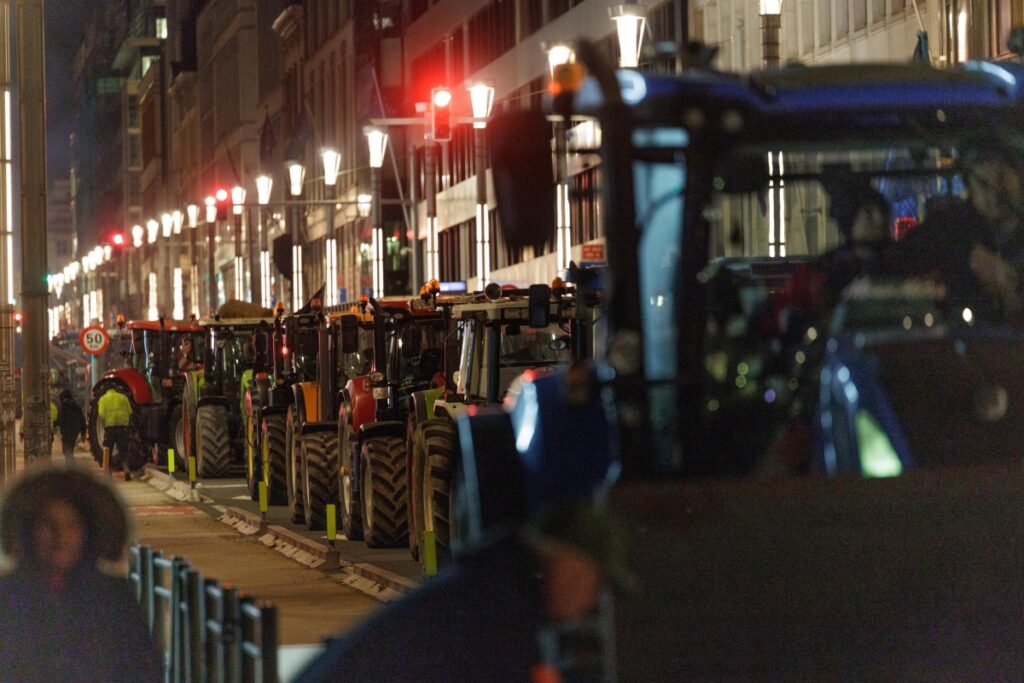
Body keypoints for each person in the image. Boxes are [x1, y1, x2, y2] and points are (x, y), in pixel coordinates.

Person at [295, 503, 634, 682]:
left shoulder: (487, 589)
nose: (590, 602)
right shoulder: (492, 616)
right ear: (572, 565)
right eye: (596, 584)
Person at [0, 466, 162, 681]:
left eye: (71, 525)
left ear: (88, 531)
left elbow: (142, 668)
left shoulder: (112, 596)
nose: (60, 536)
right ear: (28, 530)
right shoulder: (8, 596)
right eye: (48, 524)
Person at [900, 143, 1024, 320]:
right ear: (970, 188)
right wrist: (968, 252)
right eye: (982, 184)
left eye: (1001, 178)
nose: (995, 192)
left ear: (1020, 177)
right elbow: (907, 254)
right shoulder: (949, 225)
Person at [97, 387, 134, 479]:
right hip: (122, 429)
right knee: (123, 450)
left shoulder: (103, 399)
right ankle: (126, 471)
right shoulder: (123, 398)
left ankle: (108, 474)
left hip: (110, 429)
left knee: (108, 451)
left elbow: (101, 414)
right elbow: (130, 412)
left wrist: (105, 422)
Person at [55, 388, 87, 466]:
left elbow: (60, 419)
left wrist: (55, 425)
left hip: (66, 431)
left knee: (66, 451)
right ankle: (70, 466)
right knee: (70, 450)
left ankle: (71, 466)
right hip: (75, 431)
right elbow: (82, 419)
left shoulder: (63, 406)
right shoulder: (77, 406)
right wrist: (83, 432)